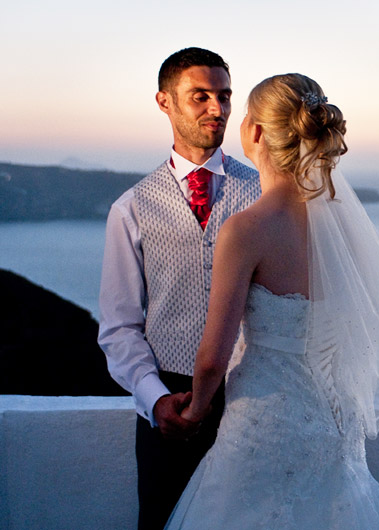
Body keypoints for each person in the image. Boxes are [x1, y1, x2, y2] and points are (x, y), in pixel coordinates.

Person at [164, 73, 379, 529]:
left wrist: (195, 411)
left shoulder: (246, 230)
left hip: (266, 426)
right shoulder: (343, 229)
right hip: (332, 424)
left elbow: (212, 357)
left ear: (257, 132)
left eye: (242, 114)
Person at [97, 47, 261, 530]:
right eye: (200, 96)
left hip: (256, 402)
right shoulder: (129, 208)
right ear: (164, 102)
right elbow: (120, 326)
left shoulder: (267, 196)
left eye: (225, 96)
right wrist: (153, 398)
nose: (218, 109)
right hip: (169, 407)